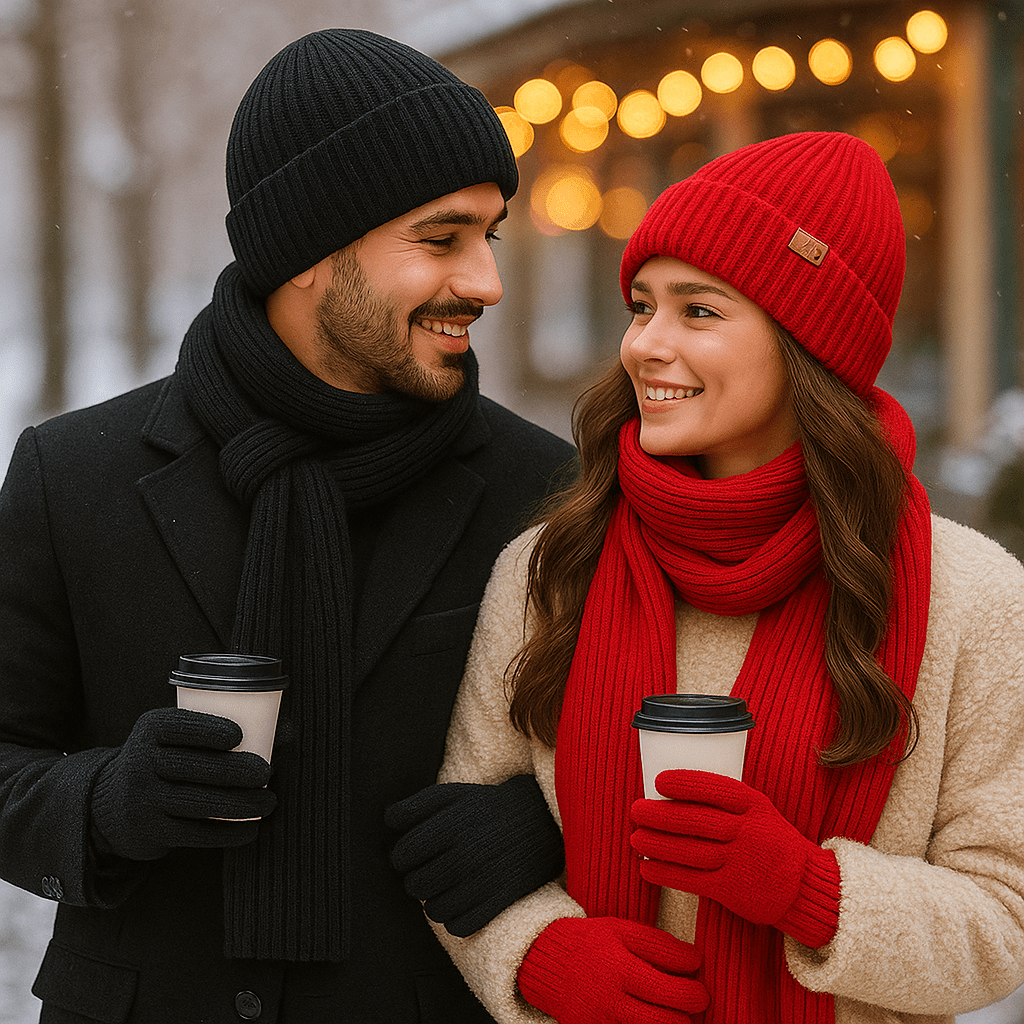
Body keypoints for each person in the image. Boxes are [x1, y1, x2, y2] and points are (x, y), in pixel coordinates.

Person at [0, 29, 573, 1024]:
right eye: (441, 240)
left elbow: (631, 752)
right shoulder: (73, 474)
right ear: (312, 249)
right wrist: (107, 802)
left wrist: (552, 824)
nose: (483, 280)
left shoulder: (544, 488)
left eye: (491, 235)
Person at [396, 132, 1024, 1023]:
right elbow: (464, 840)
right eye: (642, 305)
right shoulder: (552, 569)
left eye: (699, 311)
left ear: (810, 345)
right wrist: (537, 955)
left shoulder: (977, 602)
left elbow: (1002, 922)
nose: (645, 345)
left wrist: (808, 889)